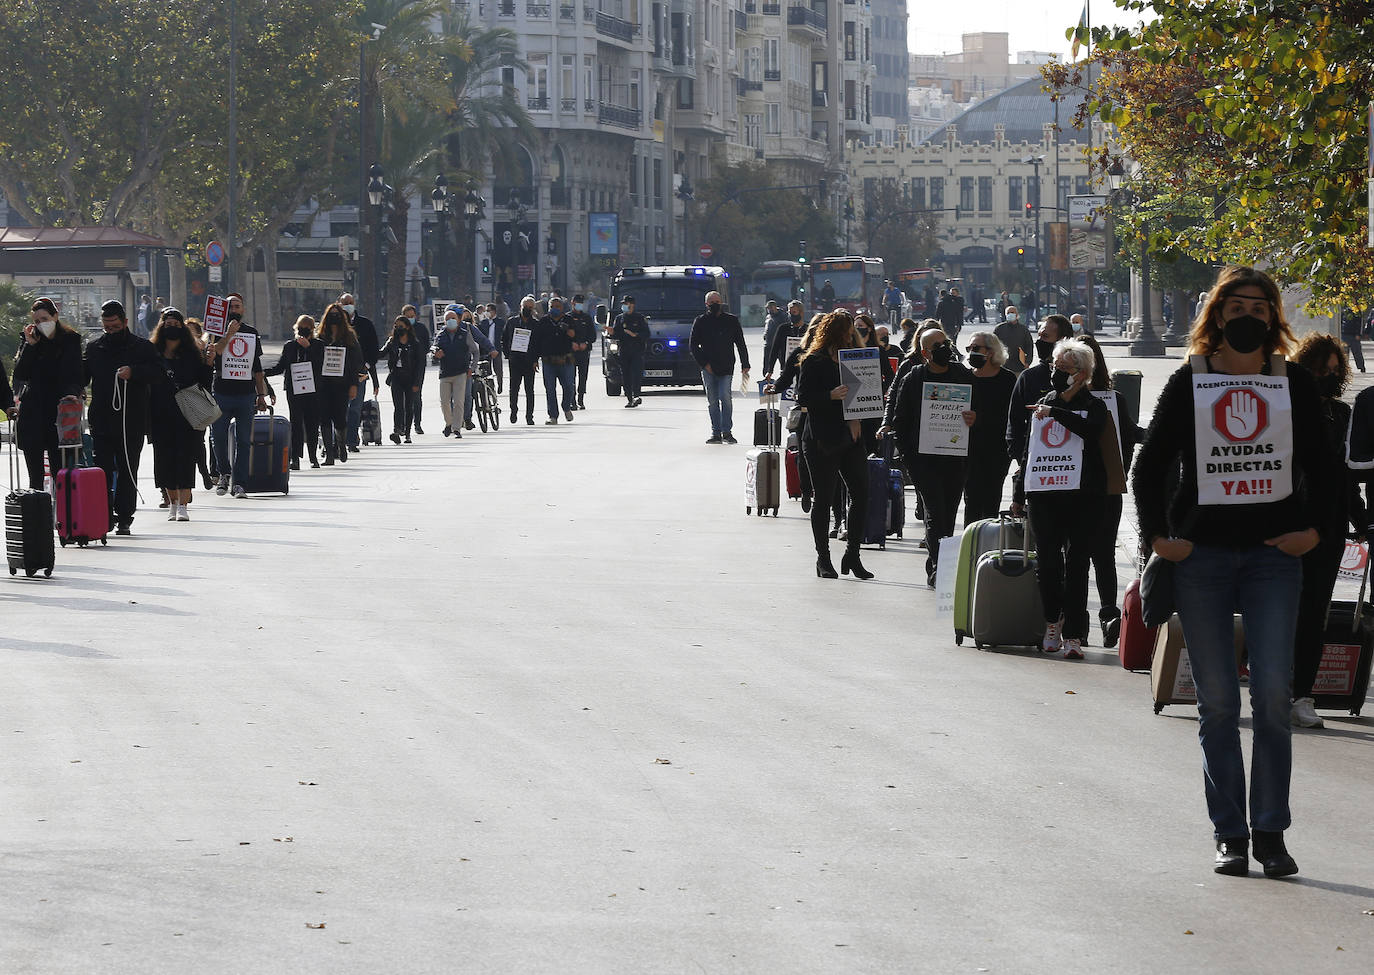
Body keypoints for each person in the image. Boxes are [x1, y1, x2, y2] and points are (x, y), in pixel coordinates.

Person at [1133, 266, 1333, 879]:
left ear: (1274, 317)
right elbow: (1150, 464)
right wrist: (1159, 539)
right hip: (1203, 559)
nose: (1249, 314)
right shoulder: (1191, 381)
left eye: (1261, 305)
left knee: (1273, 697)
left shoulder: (1293, 381)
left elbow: (1325, 468)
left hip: (1276, 556)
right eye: (1237, 304)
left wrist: (1316, 532)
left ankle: (1269, 832)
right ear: (1217, 315)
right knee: (1219, 703)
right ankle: (1230, 834)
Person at [1289, 332, 1364, 729]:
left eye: (1336, 370)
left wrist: (1360, 517)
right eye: (1322, 368)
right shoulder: (1283, 407)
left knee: (1314, 611)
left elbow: (1345, 474)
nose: (1329, 376)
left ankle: (1301, 694)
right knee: (1278, 608)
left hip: (1328, 526)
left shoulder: (1342, 414)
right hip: (1284, 521)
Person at [1023, 337, 1110, 658]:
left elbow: (1091, 430)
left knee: (1077, 565)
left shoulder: (1093, 406)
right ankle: (1052, 619)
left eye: (1065, 369)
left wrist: (1056, 412)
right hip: (1044, 493)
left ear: (1083, 374)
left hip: (1084, 496)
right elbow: (1030, 448)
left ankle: (1073, 633)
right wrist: (1021, 489)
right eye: (1055, 367)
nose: (1057, 373)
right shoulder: (1045, 399)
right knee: (1047, 562)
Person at [889, 327, 977, 587]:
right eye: (936, 344)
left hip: (954, 458)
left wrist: (974, 418)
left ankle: (937, 562)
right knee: (935, 511)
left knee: (948, 513)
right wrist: (909, 457)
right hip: (923, 460)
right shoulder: (915, 377)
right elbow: (900, 419)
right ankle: (939, 566)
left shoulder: (962, 375)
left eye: (945, 342)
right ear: (924, 352)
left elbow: (979, 408)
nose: (943, 347)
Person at [1079, 333, 1145, 646]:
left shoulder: (1111, 399)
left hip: (1093, 487)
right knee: (1098, 555)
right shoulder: (1113, 399)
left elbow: (1129, 435)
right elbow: (1129, 438)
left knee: (1087, 554)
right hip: (1094, 488)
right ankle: (1102, 616)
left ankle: (1095, 619)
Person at [795, 311, 872, 580]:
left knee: (861, 493)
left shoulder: (858, 359)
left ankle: (853, 554)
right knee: (824, 498)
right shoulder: (814, 362)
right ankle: (823, 558)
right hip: (821, 438)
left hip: (852, 435)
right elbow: (803, 398)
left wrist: (858, 417)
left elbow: (869, 393)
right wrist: (830, 395)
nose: (848, 338)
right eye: (844, 334)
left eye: (850, 334)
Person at [83, 299, 161, 533]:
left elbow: (158, 373)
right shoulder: (95, 347)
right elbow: (82, 376)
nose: (111, 331)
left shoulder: (142, 347)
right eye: (107, 327)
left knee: (128, 468)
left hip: (131, 419)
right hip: (102, 418)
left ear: (125, 322)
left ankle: (125, 515)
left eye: (115, 326)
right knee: (102, 470)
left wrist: (134, 372)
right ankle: (104, 513)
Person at [1005, 315, 1075, 515]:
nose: (1039, 341)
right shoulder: (1030, 377)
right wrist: (1023, 460)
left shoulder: (1083, 379)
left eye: (1046, 336)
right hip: (1038, 474)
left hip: (1073, 476)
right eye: (1039, 335)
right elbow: (1015, 424)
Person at [11, 297, 83, 488]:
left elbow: (76, 374)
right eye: (36, 321)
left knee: (60, 471)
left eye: (44, 318)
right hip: (34, 411)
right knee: (35, 475)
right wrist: (30, 346)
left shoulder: (70, 340)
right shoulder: (30, 340)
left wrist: (72, 393)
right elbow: (20, 374)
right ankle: (38, 514)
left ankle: (62, 513)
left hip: (60, 411)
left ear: (55, 316)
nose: (41, 324)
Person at [148, 309, 211, 521]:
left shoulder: (193, 353)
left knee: (186, 458)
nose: (171, 328)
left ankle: (183, 504)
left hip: (188, 413)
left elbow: (204, 382)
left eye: (176, 324)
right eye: (167, 324)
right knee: (164, 460)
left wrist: (209, 363)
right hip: (160, 413)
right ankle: (172, 503)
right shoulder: (152, 353)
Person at [205, 294, 270, 498]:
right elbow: (216, 353)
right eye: (230, 306)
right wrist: (229, 334)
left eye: (237, 306)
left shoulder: (251, 332)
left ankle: (240, 483)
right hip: (222, 392)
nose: (234, 309)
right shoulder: (215, 332)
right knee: (218, 437)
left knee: (243, 440)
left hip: (245, 395)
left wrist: (261, 395)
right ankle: (224, 472)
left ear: (243, 309)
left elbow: (257, 368)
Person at [961, 331, 1016, 523]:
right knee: (972, 499)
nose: (971, 352)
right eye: (969, 349)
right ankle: (971, 544)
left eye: (976, 348)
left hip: (996, 451)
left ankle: (987, 543)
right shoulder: (965, 378)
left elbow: (1011, 417)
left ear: (991, 352)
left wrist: (980, 418)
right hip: (969, 449)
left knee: (991, 499)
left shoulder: (1007, 379)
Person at [689, 291, 751, 444]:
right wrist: (705, 364)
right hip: (708, 368)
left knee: (725, 397)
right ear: (706, 304)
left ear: (722, 302)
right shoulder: (700, 321)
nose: (715, 304)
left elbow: (740, 343)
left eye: (717, 301)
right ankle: (715, 432)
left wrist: (745, 363)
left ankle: (727, 432)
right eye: (712, 302)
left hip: (726, 366)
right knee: (712, 400)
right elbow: (693, 345)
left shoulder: (731, 320)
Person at [263, 315, 325, 469]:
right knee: (296, 423)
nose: (302, 331)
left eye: (306, 328)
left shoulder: (318, 345)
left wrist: (308, 348)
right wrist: (262, 373)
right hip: (294, 389)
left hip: (313, 390)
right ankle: (295, 458)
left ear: (312, 329)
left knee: (312, 423)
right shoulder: (290, 346)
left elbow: (320, 364)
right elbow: (281, 366)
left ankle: (312, 456)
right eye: (300, 327)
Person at [316, 303, 362, 465]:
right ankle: (329, 453)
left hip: (342, 384)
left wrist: (354, 384)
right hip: (324, 384)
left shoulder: (349, 337)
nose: (334, 317)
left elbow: (356, 362)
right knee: (324, 418)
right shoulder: (320, 336)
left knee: (340, 418)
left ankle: (341, 445)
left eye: (337, 314)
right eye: (331, 314)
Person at [338, 293, 379, 452]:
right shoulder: (335, 325)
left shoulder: (365, 324)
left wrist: (366, 367)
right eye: (345, 303)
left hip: (359, 374)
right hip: (339, 374)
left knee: (355, 408)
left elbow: (373, 349)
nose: (348, 305)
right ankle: (339, 440)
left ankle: (351, 441)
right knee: (340, 409)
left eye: (350, 302)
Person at [531, 295, 579, 424]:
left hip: (566, 360)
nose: (555, 309)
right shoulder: (543, 322)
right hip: (548, 361)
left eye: (558, 307)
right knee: (550, 389)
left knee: (569, 386)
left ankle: (566, 407)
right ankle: (553, 416)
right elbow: (536, 342)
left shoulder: (569, 319)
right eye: (552, 307)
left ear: (562, 308)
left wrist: (568, 331)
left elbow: (575, 335)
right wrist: (535, 360)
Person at [379, 315, 422, 444]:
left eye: (401, 326)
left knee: (409, 406)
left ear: (408, 327)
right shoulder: (392, 342)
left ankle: (408, 433)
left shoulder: (414, 343)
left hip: (410, 377)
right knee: (398, 406)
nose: (398, 329)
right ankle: (397, 430)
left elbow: (420, 364)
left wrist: (417, 382)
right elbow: (381, 353)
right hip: (396, 376)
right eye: (396, 326)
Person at [432, 306, 474, 438]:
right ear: (444, 322)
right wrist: (435, 354)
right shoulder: (440, 335)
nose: (451, 321)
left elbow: (475, 350)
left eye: (453, 318)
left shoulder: (464, 334)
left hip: (460, 372)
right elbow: (433, 350)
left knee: (458, 401)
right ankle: (448, 423)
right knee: (444, 401)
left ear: (458, 319)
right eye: (448, 319)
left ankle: (457, 428)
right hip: (445, 373)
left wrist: (471, 368)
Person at [502, 296, 539, 426]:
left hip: (529, 361)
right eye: (525, 307)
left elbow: (537, 344)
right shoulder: (512, 322)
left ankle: (529, 416)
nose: (527, 309)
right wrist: (508, 355)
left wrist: (535, 360)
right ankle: (513, 410)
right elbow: (504, 339)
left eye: (530, 307)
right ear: (520, 307)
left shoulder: (535, 324)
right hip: (515, 360)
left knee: (529, 390)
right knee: (514, 388)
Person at [612, 294, 650, 408]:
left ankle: (636, 395)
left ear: (632, 305)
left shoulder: (639, 318)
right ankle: (629, 398)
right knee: (626, 374)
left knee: (636, 373)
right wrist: (611, 332)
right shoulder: (619, 318)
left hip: (637, 350)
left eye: (626, 304)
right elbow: (616, 333)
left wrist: (635, 335)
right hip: (624, 350)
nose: (624, 306)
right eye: (623, 304)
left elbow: (646, 333)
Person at [401, 304, 431, 434]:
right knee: (402, 398)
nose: (410, 319)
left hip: (418, 367)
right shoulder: (400, 329)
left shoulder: (421, 328)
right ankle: (402, 424)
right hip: (402, 368)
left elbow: (427, 346)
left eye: (412, 316)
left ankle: (417, 423)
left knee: (416, 396)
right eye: (408, 317)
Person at [763, 300, 805, 380]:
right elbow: (775, 349)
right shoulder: (783, 328)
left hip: (804, 370)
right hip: (786, 369)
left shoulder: (808, 329)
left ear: (801, 313)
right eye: (790, 312)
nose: (791, 315)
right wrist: (770, 370)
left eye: (794, 312)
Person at [568, 294, 597, 409]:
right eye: (577, 302)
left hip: (584, 352)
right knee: (570, 376)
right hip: (571, 352)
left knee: (583, 376)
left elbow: (593, 336)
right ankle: (572, 400)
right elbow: (563, 336)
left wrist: (586, 343)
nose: (579, 304)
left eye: (581, 302)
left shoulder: (587, 318)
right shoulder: (567, 317)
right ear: (572, 303)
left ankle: (581, 398)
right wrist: (571, 344)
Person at [994, 305, 1034, 374]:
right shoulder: (999, 329)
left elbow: (1029, 346)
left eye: (1012, 312)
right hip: (1003, 366)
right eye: (1008, 313)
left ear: (1017, 315)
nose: (1010, 315)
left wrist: (1028, 362)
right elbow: (993, 345)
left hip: (1019, 366)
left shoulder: (1023, 329)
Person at [479, 303, 504, 395]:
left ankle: (500, 384)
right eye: (486, 311)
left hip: (496, 348)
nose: (487, 313)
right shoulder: (483, 323)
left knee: (498, 369)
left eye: (488, 311)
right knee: (487, 369)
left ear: (494, 311)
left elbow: (504, 335)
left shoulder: (500, 322)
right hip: (486, 350)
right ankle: (491, 387)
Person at [1339, 307, 1366, 373]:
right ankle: (1345, 368)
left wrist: (1358, 334)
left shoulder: (1357, 311)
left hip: (1354, 336)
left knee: (1357, 352)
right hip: (1344, 334)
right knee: (1344, 353)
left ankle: (1361, 367)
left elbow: (1360, 323)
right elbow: (1340, 322)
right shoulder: (1343, 311)